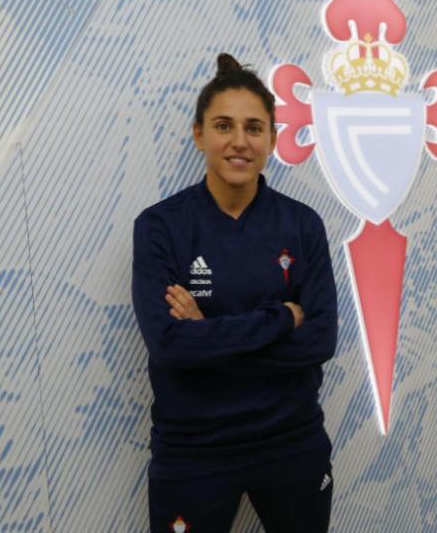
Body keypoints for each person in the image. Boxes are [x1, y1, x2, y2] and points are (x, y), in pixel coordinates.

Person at [131, 53, 337, 532]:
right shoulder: (161, 227)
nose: (239, 142)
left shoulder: (302, 225)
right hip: (193, 451)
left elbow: (322, 340)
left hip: (292, 441)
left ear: (272, 139)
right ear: (199, 133)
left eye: (254, 128)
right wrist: (282, 320)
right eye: (224, 126)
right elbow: (168, 344)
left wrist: (207, 335)